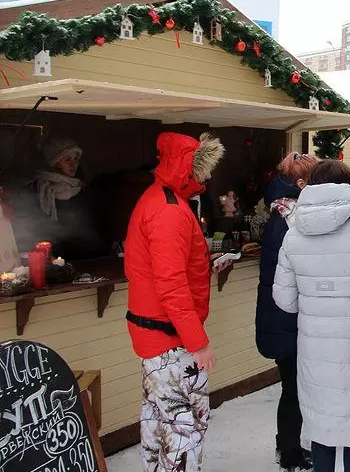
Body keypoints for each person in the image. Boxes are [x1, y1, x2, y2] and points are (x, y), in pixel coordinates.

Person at [272, 160, 350, 472]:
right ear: (347, 188)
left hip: (314, 351)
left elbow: (285, 300)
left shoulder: (292, 236)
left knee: (322, 427)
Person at [124, 132, 228, 472]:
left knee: (159, 420)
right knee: (184, 425)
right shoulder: (169, 211)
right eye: (205, 168)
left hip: (157, 335)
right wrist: (197, 343)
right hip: (171, 340)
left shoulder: (163, 200)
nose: (209, 176)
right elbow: (171, 284)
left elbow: (169, 271)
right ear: (188, 167)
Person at [255, 151, 317, 471]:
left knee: (294, 385)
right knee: (294, 387)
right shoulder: (290, 219)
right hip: (287, 318)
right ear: (301, 182)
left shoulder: (283, 211)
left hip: (283, 316)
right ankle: (289, 449)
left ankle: (290, 444)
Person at [15, 135, 107, 259]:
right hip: (53, 255)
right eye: (67, 159)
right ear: (55, 162)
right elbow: (31, 224)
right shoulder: (38, 188)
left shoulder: (82, 189)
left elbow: (92, 223)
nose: (73, 164)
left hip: (86, 253)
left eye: (75, 159)